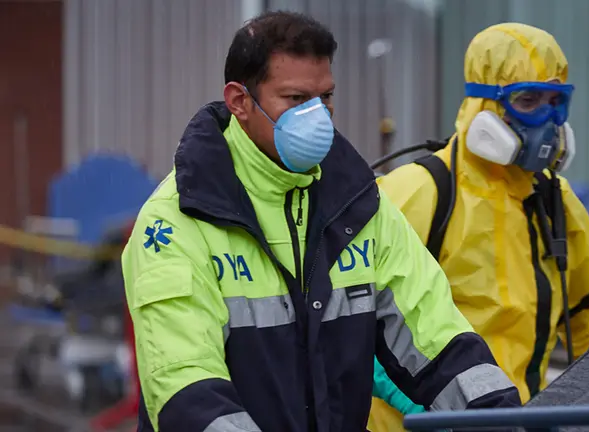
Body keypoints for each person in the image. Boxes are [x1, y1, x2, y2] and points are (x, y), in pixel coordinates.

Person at [122, 11, 522, 432]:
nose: (317, 116)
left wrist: (499, 416)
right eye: (296, 100)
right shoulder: (177, 221)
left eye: (325, 97)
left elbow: (435, 338)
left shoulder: (360, 206)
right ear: (240, 101)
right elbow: (187, 389)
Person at [368, 22, 589, 430]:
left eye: (556, 101)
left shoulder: (555, 201)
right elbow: (352, 323)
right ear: (484, 107)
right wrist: (430, 409)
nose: (547, 119)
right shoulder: (417, 193)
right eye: (527, 100)